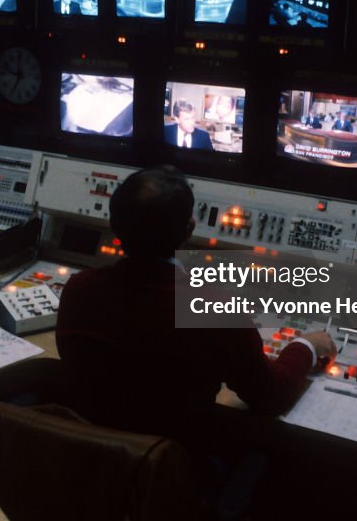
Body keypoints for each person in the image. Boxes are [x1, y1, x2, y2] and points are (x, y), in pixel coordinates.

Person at [56, 167, 336, 491]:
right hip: (175, 478)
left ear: (114, 225)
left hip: (97, 470)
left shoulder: (78, 290)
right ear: (189, 228)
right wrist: (308, 345)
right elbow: (270, 396)